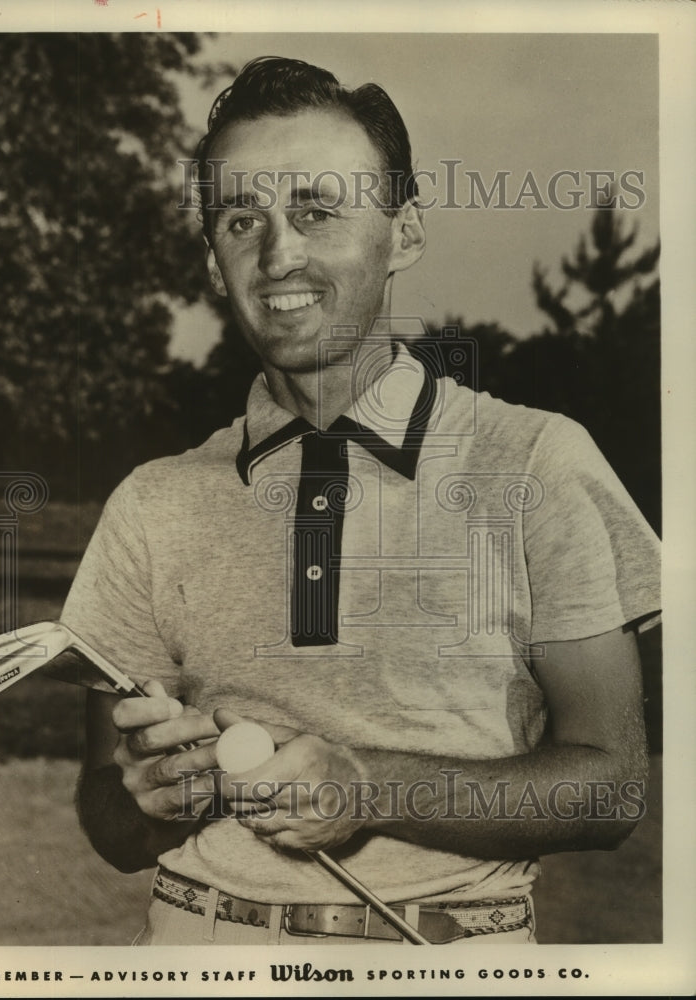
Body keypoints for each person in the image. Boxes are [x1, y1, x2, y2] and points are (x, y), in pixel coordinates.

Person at [65, 56, 661, 946]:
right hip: (196, 945)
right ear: (211, 258)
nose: (279, 255)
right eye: (242, 219)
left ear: (404, 231)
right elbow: (109, 825)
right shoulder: (153, 501)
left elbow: (611, 786)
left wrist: (366, 788)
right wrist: (151, 798)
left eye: (317, 210)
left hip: (447, 952)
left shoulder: (536, 459)